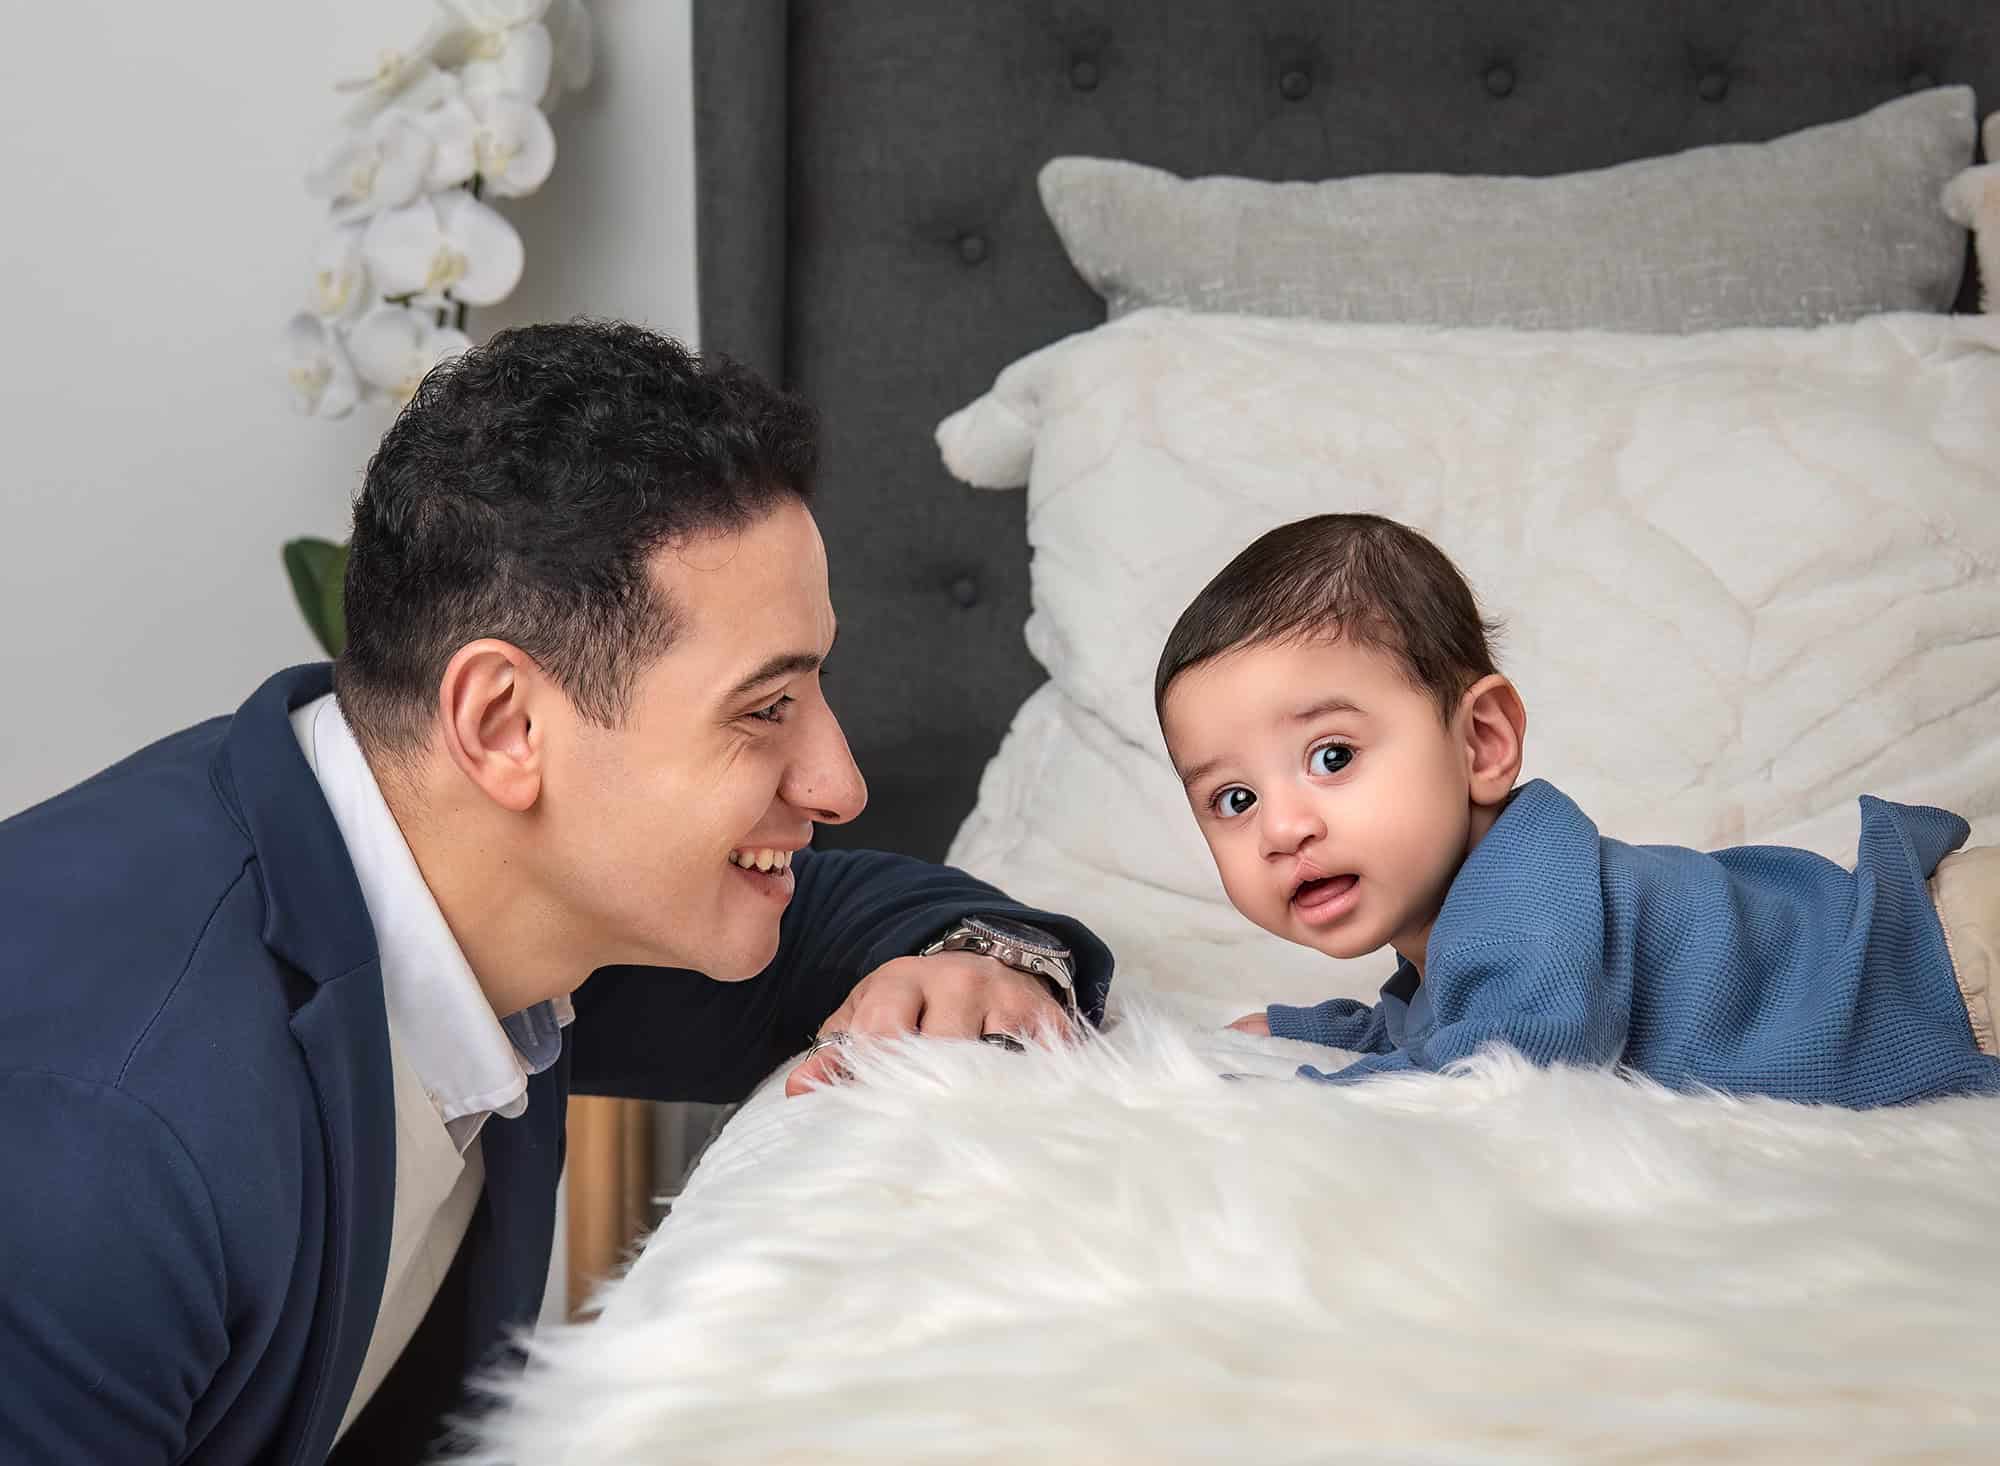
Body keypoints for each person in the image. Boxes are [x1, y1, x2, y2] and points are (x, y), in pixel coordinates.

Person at [0, 321, 1112, 1465]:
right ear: (504, 723)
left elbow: (839, 918)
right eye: (764, 707)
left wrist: (980, 958)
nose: (840, 782)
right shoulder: (106, 1144)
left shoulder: (485, 881)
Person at [1152, 512, 1999, 1104]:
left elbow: (1506, 1062)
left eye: (1332, 757)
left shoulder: (1525, 907)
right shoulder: (1473, 921)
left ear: (1481, 742)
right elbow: (1448, 1016)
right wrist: (1328, 1031)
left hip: (1950, 966)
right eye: (1234, 798)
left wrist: (1305, 1102)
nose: (1282, 827)